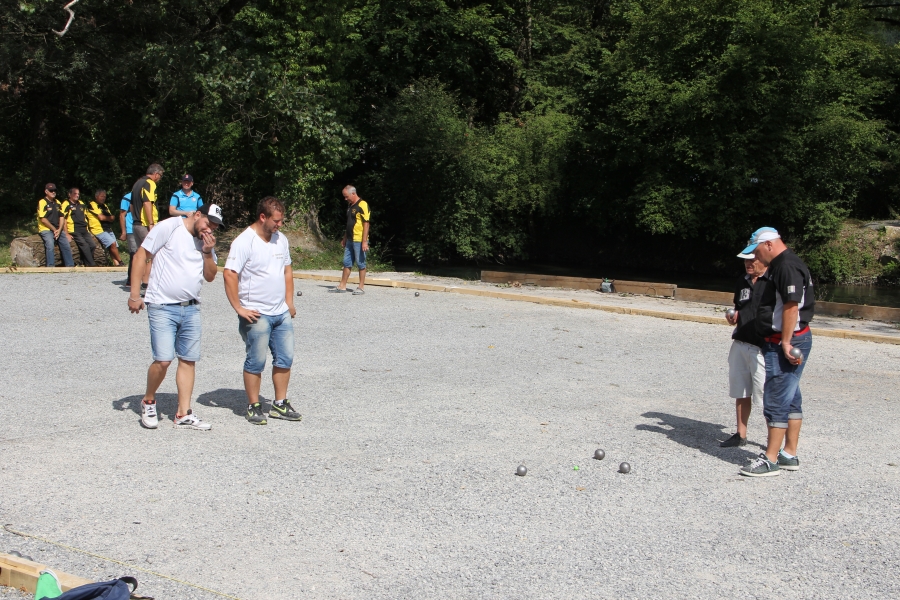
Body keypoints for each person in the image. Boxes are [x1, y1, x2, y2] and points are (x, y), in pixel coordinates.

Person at [127, 204, 224, 431]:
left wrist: (208, 252)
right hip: (162, 305)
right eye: (208, 223)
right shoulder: (169, 227)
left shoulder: (205, 243)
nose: (210, 229)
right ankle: (149, 400)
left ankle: (183, 413)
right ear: (197, 215)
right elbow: (141, 255)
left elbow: (210, 276)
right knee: (163, 359)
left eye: (215, 227)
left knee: (188, 359)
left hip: (191, 307)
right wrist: (134, 295)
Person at [738, 227, 815, 477]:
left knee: (776, 398)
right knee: (791, 396)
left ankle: (770, 459)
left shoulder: (785, 266)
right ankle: (789, 454)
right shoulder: (784, 264)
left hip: (785, 341)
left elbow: (792, 307)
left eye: (758, 251)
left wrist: (784, 342)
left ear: (769, 245)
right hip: (785, 339)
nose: (757, 258)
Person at [224, 196, 301, 425]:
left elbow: (287, 270)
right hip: (257, 314)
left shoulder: (281, 240)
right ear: (262, 217)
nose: (279, 225)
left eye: (281, 221)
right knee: (255, 362)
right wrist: (239, 307)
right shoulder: (244, 241)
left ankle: (279, 404)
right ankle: (253, 405)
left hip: (280, 313)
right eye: (276, 221)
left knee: (285, 359)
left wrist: (289, 302)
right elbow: (229, 274)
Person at [720, 252, 767, 447]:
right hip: (741, 341)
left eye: (752, 260)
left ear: (764, 260)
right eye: (746, 260)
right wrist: (734, 317)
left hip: (762, 346)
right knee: (741, 390)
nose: (748, 263)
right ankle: (740, 433)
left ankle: (774, 441)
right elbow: (740, 306)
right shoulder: (743, 280)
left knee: (766, 393)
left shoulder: (772, 281)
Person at [130, 164, 163, 286]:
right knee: (151, 254)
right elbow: (147, 203)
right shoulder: (150, 183)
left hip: (136, 223)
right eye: (160, 175)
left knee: (141, 255)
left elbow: (132, 205)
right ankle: (146, 283)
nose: (159, 178)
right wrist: (150, 223)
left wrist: (135, 218)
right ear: (156, 174)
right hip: (144, 225)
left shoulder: (137, 183)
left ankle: (137, 282)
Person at [334, 185, 370, 295]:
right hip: (349, 239)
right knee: (346, 262)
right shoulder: (350, 205)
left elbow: (366, 223)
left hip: (359, 239)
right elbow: (349, 224)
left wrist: (364, 241)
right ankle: (342, 285)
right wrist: (344, 238)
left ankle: (361, 287)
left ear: (353, 194)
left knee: (360, 263)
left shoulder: (362, 205)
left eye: (346, 196)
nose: (345, 199)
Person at [36, 183, 74, 267]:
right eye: (51, 190)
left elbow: (61, 217)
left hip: (57, 229)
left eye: (54, 190)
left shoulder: (58, 202)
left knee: (66, 244)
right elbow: (43, 219)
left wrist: (60, 229)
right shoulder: (42, 202)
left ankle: (70, 266)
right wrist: (54, 229)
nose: (53, 192)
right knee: (50, 244)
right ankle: (50, 266)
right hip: (46, 229)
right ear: (46, 191)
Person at [86, 189, 124, 266]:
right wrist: (109, 218)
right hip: (98, 229)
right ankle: (120, 261)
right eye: (101, 196)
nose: (103, 198)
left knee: (113, 247)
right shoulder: (92, 204)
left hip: (108, 228)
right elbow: (101, 218)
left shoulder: (104, 206)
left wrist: (108, 218)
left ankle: (116, 264)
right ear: (96, 196)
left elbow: (112, 217)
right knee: (112, 244)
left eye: (105, 196)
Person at [60, 187, 97, 267]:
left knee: (92, 245)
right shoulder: (66, 204)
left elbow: (86, 216)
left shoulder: (81, 203)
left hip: (84, 229)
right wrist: (66, 233)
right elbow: (63, 219)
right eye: (75, 193)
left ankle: (83, 262)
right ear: (69, 194)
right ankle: (91, 265)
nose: (77, 195)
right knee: (85, 245)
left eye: (78, 194)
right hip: (74, 229)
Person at [119, 192, 136, 285]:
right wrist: (123, 232)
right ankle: (131, 279)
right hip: (131, 229)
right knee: (134, 254)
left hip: (144, 228)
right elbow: (122, 215)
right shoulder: (128, 197)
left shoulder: (149, 195)